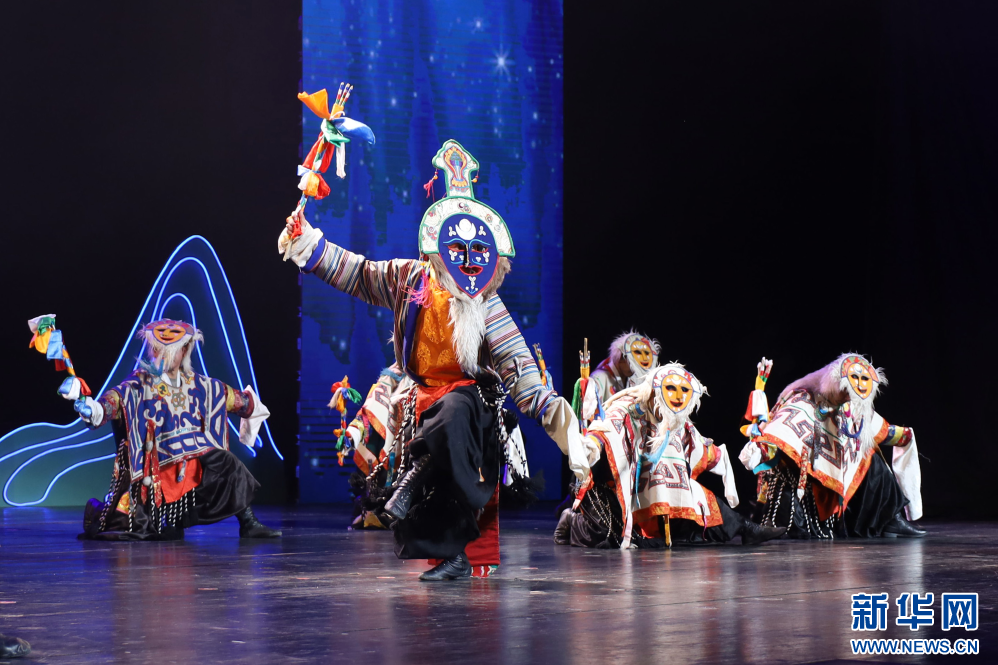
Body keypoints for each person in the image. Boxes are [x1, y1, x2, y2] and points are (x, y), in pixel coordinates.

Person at [280, 139, 591, 580]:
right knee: (434, 428)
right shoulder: (409, 278)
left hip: (470, 406)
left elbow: (521, 372)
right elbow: (359, 273)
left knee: (452, 413)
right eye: (457, 248)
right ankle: (445, 542)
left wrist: (564, 428)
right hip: (419, 399)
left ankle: (415, 485)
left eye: (477, 251)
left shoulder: (487, 304)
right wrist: (309, 244)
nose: (467, 260)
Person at [74, 319, 281, 540]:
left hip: (191, 469)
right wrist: (94, 409)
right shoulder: (140, 383)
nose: (163, 355)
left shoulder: (198, 384)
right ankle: (96, 511)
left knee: (227, 463)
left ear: (184, 350)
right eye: (158, 349)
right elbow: (116, 401)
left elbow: (229, 397)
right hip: (157, 472)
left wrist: (251, 406)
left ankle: (248, 522)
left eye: (170, 350)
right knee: (138, 527)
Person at [555, 364, 785, 548]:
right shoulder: (627, 408)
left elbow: (698, 447)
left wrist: (725, 457)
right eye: (671, 389)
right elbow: (604, 432)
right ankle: (572, 520)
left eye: (684, 391)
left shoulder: (677, 417)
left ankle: (746, 528)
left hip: (663, 486)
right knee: (611, 537)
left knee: (701, 507)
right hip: (615, 485)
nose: (678, 396)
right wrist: (591, 444)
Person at [738, 354, 924, 539]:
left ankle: (891, 519)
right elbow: (780, 431)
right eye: (853, 381)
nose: (857, 388)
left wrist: (904, 436)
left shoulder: (854, 407)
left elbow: (878, 429)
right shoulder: (804, 398)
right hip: (809, 478)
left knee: (873, 459)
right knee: (788, 473)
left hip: (840, 478)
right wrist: (761, 449)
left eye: (864, 381)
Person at [580, 331, 660, 424]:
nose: (635, 371)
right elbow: (588, 414)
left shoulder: (632, 377)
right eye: (633, 365)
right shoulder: (599, 378)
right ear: (622, 357)